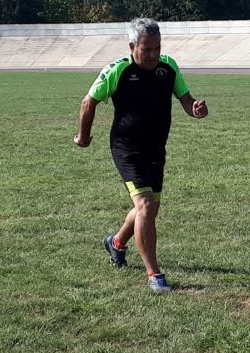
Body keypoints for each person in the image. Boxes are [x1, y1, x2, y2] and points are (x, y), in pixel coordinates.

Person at [75, 18, 210, 294]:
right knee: (146, 205)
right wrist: (84, 137)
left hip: (155, 149)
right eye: (146, 49)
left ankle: (116, 242)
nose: (152, 55)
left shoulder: (169, 67)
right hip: (126, 148)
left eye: (157, 48)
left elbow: (185, 99)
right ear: (132, 46)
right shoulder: (118, 70)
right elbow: (89, 102)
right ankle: (154, 274)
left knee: (148, 210)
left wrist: (195, 109)